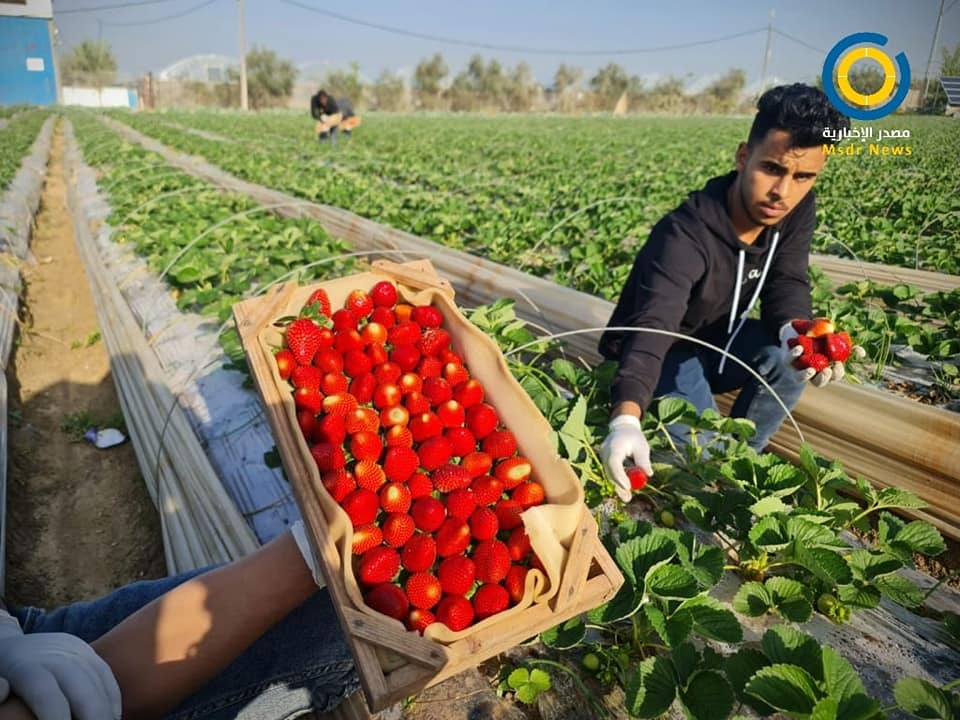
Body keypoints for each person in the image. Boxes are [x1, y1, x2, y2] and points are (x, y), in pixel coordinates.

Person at [598, 83, 862, 502]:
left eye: (803, 176)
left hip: (723, 335)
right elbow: (653, 329)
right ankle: (706, 482)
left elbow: (788, 280)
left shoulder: (795, 210)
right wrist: (625, 419)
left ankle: (738, 472)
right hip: (672, 347)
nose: (783, 192)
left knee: (788, 359)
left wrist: (799, 332)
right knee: (703, 453)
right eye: (772, 168)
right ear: (743, 157)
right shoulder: (684, 235)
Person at [0, 522, 358, 720]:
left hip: (24, 646)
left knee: (342, 603)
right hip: (86, 692)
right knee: (353, 622)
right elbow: (111, 692)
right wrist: (312, 553)